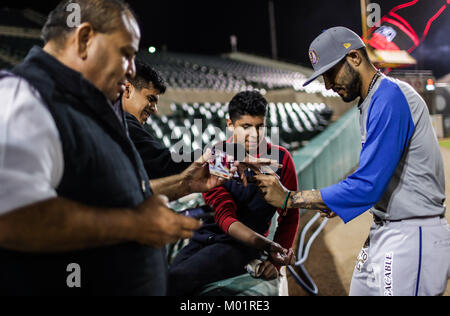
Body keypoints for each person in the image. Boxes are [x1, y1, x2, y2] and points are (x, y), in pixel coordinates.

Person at [0, 0, 202, 295]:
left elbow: (106, 199)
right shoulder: (24, 96)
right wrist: (134, 225)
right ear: (84, 40)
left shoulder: (91, 108)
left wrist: (184, 183)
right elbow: (11, 215)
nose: (131, 70)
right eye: (126, 54)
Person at [253, 26, 450, 296]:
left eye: (331, 72)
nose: (328, 85)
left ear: (355, 58)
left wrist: (290, 199)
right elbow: (370, 175)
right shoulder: (372, 101)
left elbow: (367, 185)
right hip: (385, 229)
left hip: (412, 234)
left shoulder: (390, 96)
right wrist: (336, 201)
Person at [168, 91, 298, 296]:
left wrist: (275, 261)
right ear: (230, 124)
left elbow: (289, 214)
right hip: (205, 236)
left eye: (260, 126)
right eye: (246, 127)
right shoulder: (217, 153)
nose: (254, 135)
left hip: (242, 244)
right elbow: (223, 215)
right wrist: (269, 246)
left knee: (175, 280)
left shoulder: (281, 158)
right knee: (165, 280)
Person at [119, 59, 192, 180]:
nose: (154, 109)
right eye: (150, 98)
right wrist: (212, 155)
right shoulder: (123, 124)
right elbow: (164, 164)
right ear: (127, 90)